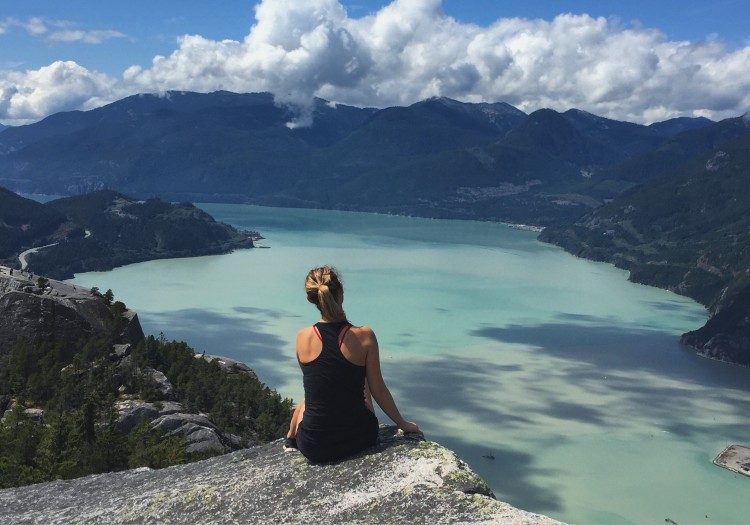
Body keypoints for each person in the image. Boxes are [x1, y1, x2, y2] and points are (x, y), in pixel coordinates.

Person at [284, 266, 421, 463]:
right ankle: (291, 437)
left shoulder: (302, 337)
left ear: (310, 298)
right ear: (340, 290)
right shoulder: (364, 336)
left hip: (314, 445)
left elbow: (318, 390)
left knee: (309, 400)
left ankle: (290, 438)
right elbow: (378, 390)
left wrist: (295, 434)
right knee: (362, 379)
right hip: (358, 437)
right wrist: (403, 424)